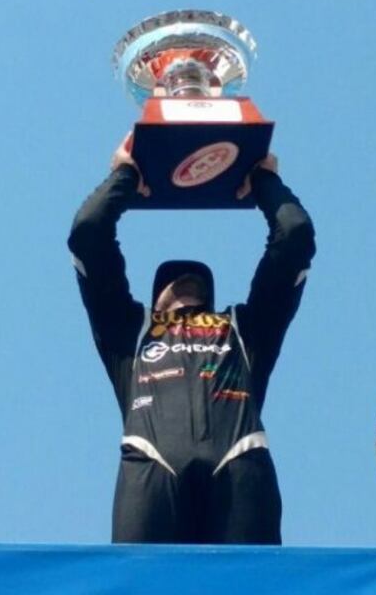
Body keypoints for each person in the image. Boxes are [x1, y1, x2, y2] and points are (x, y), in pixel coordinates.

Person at [68, 135, 315, 544]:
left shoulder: (245, 329)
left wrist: (264, 180)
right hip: (151, 462)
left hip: (239, 459)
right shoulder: (129, 330)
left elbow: (295, 234)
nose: (185, 279)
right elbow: (89, 232)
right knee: (140, 578)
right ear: (155, 302)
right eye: (171, 280)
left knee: (254, 579)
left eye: (196, 279)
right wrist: (125, 175)